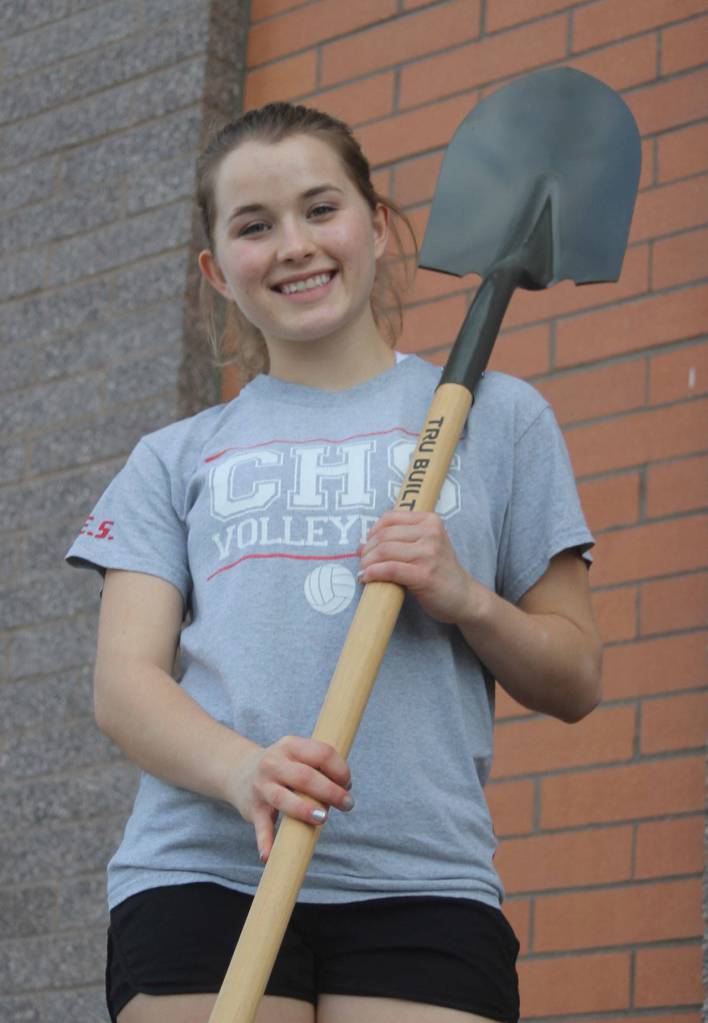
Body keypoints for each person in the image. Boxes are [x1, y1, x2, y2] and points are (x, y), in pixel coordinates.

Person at [66, 102, 602, 1023]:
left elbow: (576, 675)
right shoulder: (175, 456)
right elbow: (124, 686)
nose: (293, 246)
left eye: (321, 208)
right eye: (254, 225)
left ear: (379, 227)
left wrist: (466, 597)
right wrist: (242, 770)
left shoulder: (498, 417)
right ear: (215, 269)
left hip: (421, 880)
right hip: (205, 870)